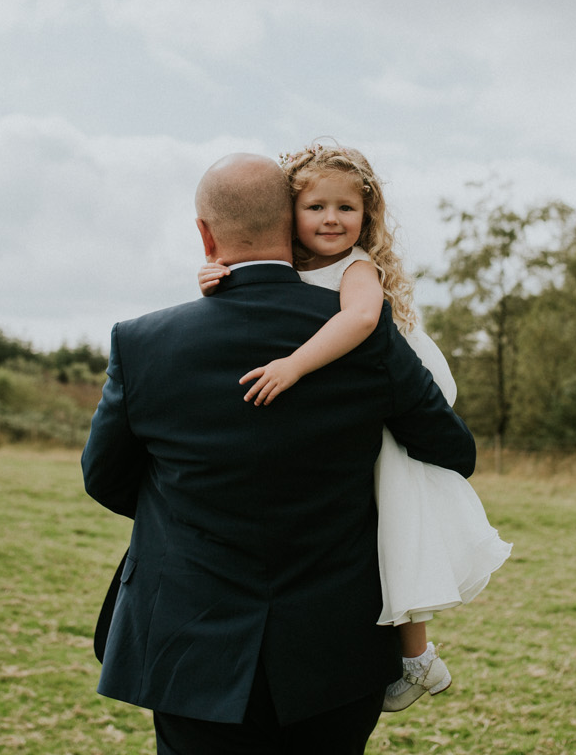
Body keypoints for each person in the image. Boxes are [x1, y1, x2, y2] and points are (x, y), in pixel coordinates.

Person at [82, 153, 478, 754]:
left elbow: (105, 478)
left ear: (205, 234)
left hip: (189, 643)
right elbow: (452, 448)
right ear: (290, 220)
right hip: (337, 649)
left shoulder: (141, 343)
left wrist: (199, 515)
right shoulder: (364, 332)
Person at [199, 141, 511, 713]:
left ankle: (417, 657)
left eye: (347, 208)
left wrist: (294, 365)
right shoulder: (291, 268)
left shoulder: (357, 267)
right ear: (288, 213)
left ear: (368, 216)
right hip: (349, 394)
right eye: (315, 207)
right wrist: (215, 276)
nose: (332, 220)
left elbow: (362, 319)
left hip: (396, 392)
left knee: (398, 510)